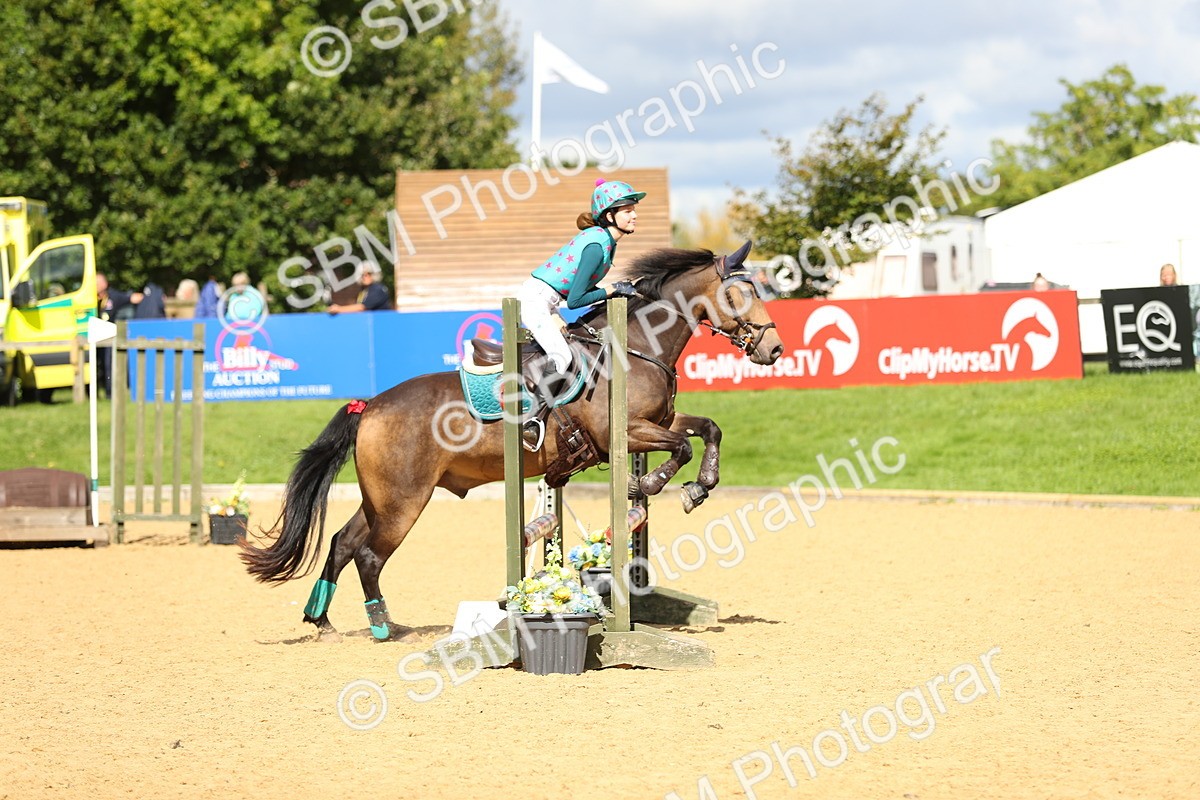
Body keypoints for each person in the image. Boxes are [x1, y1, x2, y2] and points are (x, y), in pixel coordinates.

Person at [516, 178, 644, 445]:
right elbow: (576, 300)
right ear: (610, 215)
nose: (634, 215)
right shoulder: (598, 245)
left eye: (634, 208)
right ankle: (531, 421)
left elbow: (581, 290)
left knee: (576, 350)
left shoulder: (605, 241)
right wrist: (611, 290)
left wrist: (616, 290)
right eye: (628, 210)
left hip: (548, 300)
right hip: (537, 300)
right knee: (561, 356)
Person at [95, 273, 144, 398]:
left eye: (98, 283)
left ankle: (110, 392)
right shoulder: (89, 298)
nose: (96, 286)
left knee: (109, 363)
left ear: (105, 284)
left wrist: (149, 297)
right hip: (93, 336)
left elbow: (132, 298)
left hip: (109, 338)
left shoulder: (114, 296)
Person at [328, 263, 392, 313]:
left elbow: (362, 307)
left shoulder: (377, 289)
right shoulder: (364, 291)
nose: (365, 277)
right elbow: (359, 306)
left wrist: (339, 309)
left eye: (368, 274)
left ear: (374, 275)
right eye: (362, 275)